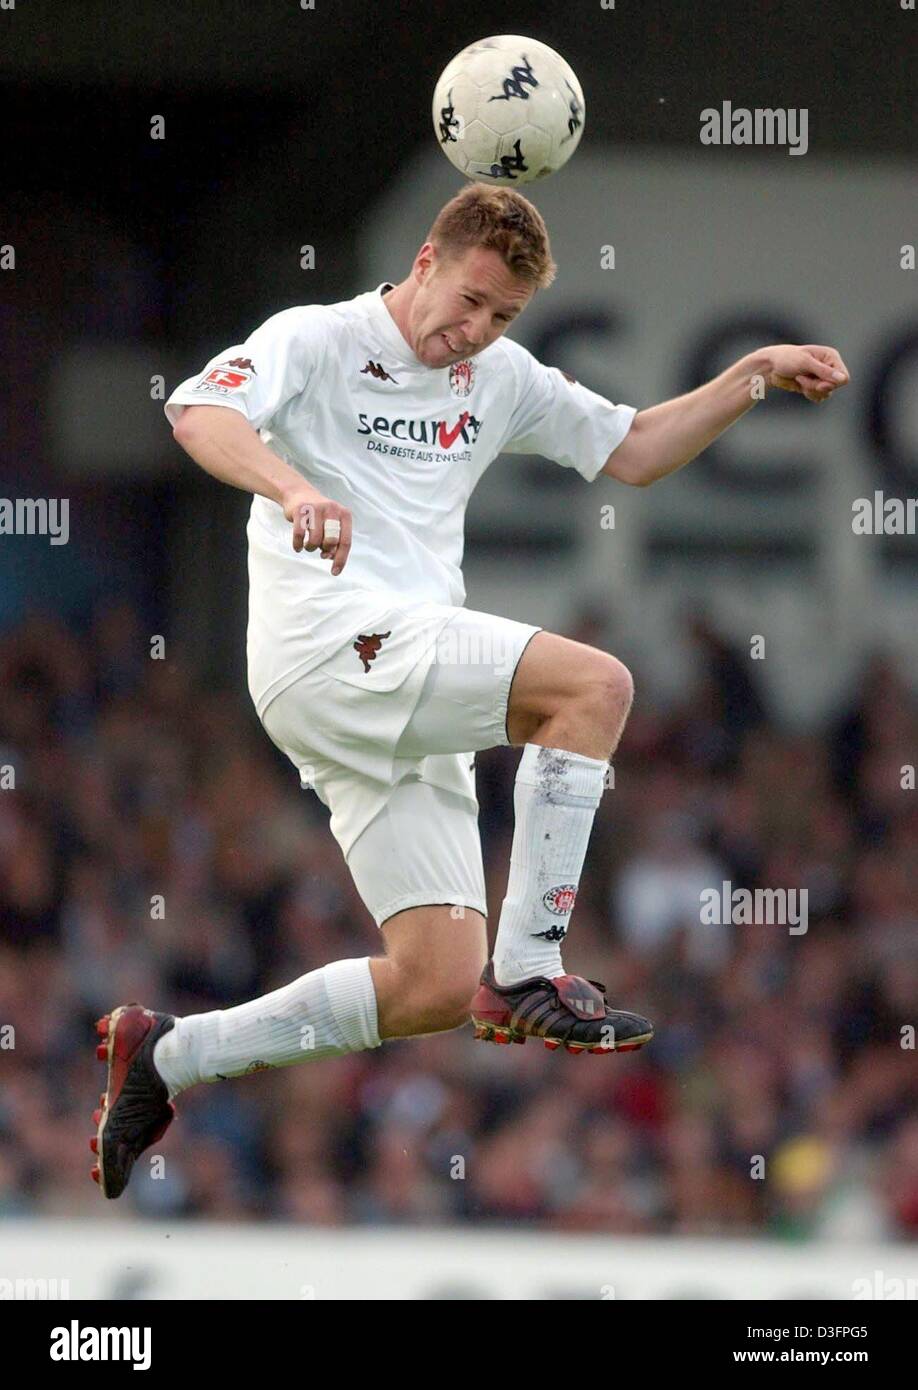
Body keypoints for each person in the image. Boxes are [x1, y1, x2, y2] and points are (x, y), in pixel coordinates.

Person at [89, 183, 849, 1198]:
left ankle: (167, 1057)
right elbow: (196, 411)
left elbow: (632, 449)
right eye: (471, 300)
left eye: (503, 316)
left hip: (396, 683)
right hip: (332, 643)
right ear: (425, 259)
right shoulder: (318, 338)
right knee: (596, 685)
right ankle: (531, 966)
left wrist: (752, 374)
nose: (476, 330)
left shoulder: (497, 374)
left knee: (432, 983)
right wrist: (294, 487)